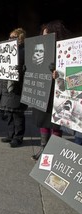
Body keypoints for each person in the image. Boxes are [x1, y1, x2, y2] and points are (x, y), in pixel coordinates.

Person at [31, 20, 72, 160]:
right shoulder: (39, 50)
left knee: (55, 122)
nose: (44, 39)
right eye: (43, 36)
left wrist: (60, 74)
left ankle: (54, 152)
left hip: (58, 93)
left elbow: (74, 74)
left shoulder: (66, 51)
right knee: (43, 119)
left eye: (47, 36)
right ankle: (43, 147)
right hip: (43, 91)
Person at [0, 28, 28, 147]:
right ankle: (10, 134)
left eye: (13, 37)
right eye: (9, 37)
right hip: (6, 86)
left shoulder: (24, 50)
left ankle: (18, 137)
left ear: (20, 38)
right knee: (9, 113)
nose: (10, 39)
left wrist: (23, 69)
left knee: (17, 114)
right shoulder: (6, 51)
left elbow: (28, 67)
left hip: (17, 87)